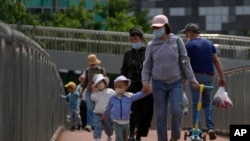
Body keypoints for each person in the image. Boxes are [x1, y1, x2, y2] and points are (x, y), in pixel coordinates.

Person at [141, 14, 199, 141]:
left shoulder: (177, 41)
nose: (156, 30)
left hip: (176, 82)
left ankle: (175, 136)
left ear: (166, 27)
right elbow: (147, 65)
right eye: (154, 28)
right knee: (161, 116)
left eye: (159, 27)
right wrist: (145, 82)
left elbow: (185, 61)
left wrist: (192, 79)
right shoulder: (151, 45)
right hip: (158, 83)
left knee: (177, 111)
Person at [181, 23, 226, 140]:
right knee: (207, 103)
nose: (186, 36)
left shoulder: (189, 45)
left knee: (196, 104)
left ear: (190, 33)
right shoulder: (209, 44)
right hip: (209, 76)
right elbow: (216, 61)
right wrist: (222, 77)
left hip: (195, 76)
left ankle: (198, 129)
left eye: (186, 33)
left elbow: (187, 64)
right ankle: (211, 127)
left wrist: (184, 80)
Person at [120, 27, 154, 141]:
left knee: (146, 112)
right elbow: (123, 71)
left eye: (136, 39)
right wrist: (122, 85)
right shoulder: (128, 55)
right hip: (132, 87)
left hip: (146, 87)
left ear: (142, 39)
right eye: (132, 40)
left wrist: (150, 84)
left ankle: (139, 134)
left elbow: (153, 69)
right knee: (132, 111)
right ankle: (131, 134)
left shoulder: (148, 53)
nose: (134, 42)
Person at [102, 75, 151, 141]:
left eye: (120, 87)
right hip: (116, 122)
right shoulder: (112, 97)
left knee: (125, 138)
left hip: (126, 122)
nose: (117, 88)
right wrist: (104, 115)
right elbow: (108, 107)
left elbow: (138, 95)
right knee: (119, 137)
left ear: (126, 87)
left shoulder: (129, 96)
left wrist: (145, 92)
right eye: (116, 87)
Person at [80, 54, 106, 132]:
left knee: (99, 109)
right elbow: (85, 82)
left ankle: (99, 125)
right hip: (89, 91)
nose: (92, 65)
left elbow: (105, 81)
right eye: (91, 64)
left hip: (99, 92)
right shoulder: (87, 70)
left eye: (93, 63)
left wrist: (104, 91)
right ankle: (90, 125)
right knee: (90, 109)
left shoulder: (101, 70)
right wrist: (82, 91)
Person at [91, 74, 114, 141]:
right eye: (98, 83)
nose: (100, 84)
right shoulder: (96, 93)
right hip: (97, 113)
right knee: (97, 126)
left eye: (101, 82)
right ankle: (97, 138)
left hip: (107, 113)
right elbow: (93, 98)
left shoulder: (110, 91)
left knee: (108, 128)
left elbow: (116, 98)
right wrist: (93, 91)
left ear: (105, 83)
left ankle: (109, 135)